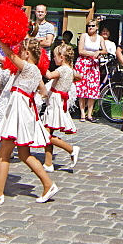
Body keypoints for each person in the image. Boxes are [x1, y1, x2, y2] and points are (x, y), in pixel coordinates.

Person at [0, 38, 57, 205]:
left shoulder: (28, 67)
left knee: (4, 154)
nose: (17, 53)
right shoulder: (36, 71)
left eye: (20, 51)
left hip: (18, 113)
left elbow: (8, 54)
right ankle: (48, 184)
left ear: (27, 54)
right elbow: (43, 92)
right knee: (24, 155)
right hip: (24, 111)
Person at [42, 44, 81, 172]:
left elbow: (49, 75)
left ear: (62, 57)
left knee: (45, 134)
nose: (54, 59)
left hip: (56, 102)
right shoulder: (71, 70)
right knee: (48, 131)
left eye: (55, 57)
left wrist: (41, 64)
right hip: (57, 100)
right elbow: (79, 76)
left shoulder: (63, 69)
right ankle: (48, 163)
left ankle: (71, 149)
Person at [75, 20, 103, 122]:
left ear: (97, 27)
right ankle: (82, 113)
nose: (90, 27)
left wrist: (99, 51)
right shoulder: (84, 36)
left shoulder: (100, 38)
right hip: (83, 64)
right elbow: (80, 50)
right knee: (82, 88)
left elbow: (105, 50)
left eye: (92, 26)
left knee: (92, 89)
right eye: (89, 26)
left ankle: (89, 114)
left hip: (93, 65)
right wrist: (92, 54)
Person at [33, 4, 56, 69]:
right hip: (32, 56)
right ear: (35, 12)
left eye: (42, 12)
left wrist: (33, 40)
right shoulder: (31, 25)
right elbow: (26, 41)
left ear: (45, 13)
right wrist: (42, 39)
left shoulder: (50, 26)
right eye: (38, 11)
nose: (40, 13)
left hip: (45, 57)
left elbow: (48, 43)